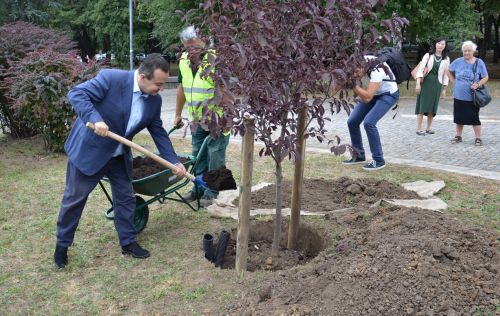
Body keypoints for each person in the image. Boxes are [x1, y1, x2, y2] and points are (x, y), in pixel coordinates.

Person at [54, 53, 187, 268]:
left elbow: (159, 132)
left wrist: (174, 161)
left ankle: (128, 242)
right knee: (75, 200)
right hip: (90, 151)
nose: (161, 89)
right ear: (143, 77)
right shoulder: (111, 79)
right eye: (159, 84)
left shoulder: (154, 101)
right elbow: (77, 94)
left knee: (125, 198)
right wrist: (95, 119)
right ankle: (62, 246)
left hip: (118, 155)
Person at [174, 26, 230, 206]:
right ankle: (197, 188)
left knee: (215, 155)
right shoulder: (183, 60)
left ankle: (212, 192)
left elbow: (226, 90)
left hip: (217, 119)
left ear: (205, 42)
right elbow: (182, 88)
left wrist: (227, 117)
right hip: (196, 120)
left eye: (195, 46)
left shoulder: (217, 59)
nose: (192, 50)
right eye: (187, 46)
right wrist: (177, 114)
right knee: (197, 155)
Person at [342, 56, 400, 171]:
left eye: (357, 72)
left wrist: (352, 85)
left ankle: (378, 160)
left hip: (388, 94)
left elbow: (368, 97)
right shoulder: (358, 62)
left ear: (361, 66)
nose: (355, 75)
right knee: (352, 121)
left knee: (369, 122)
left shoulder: (377, 69)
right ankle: (358, 155)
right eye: (352, 73)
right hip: (374, 93)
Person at [446, 40, 489, 146]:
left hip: (472, 97)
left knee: (474, 118)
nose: (466, 53)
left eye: (469, 51)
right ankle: (458, 136)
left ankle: (478, 138)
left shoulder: (479, 62)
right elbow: (447, 70)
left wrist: (478, 84)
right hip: (458, 95)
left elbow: (486, 77)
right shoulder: (458, 61)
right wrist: (453, 81)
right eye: (464, 51)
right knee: (459, 118)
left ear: (473, 51)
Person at [414, 37, 450, 135]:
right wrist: (418, 84)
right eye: (439, 43)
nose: (440, 45)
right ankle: (419, 129)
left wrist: (444, 89)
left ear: (445, 46)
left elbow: (446, 75)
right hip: (425, 83)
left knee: (432, 107)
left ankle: (428, 128)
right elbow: (420, 70)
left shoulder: (446, 59)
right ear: (435, 44)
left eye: (443, 44)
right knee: (421, 105)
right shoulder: (428, 55)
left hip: (437, 84)